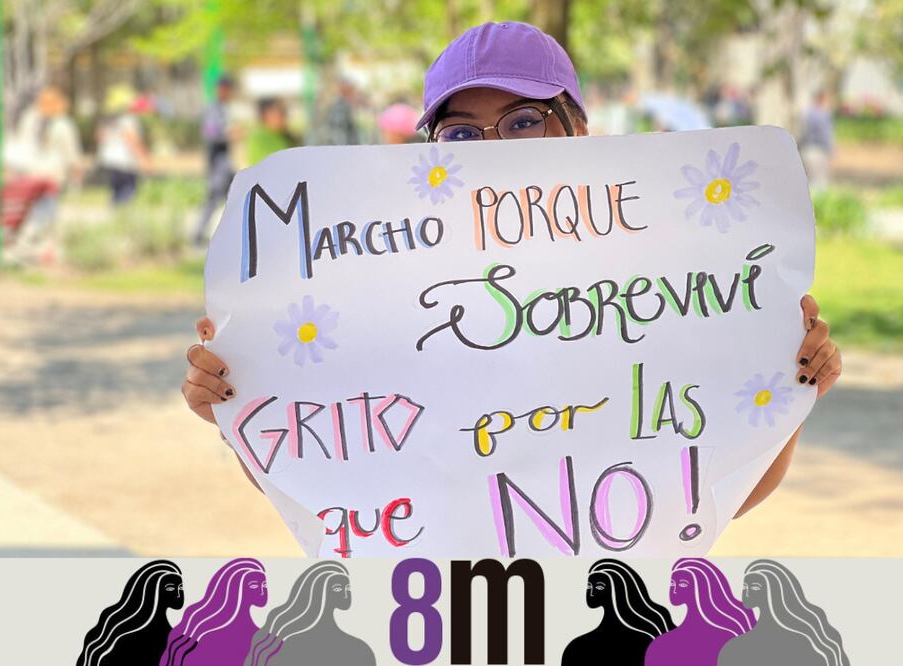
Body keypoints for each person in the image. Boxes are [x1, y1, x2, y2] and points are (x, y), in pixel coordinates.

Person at [182, 21, 843, 520]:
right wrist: (244, 410)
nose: (493, 153)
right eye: (462, 134)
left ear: (577, 127)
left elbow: (719, 492)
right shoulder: (383, 294)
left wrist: (789, 393)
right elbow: (336, 498)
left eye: (523, 121)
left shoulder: (658, 293)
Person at [719, 559, 850, 666]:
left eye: (754, 587)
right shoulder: (735, 648)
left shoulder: (805, 645)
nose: (746, 593)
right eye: (745, 587)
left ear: (775, 592)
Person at [245, 561, 375, 666]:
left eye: (348, 588)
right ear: (317, 593)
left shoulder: (360, 650)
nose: (346, 595)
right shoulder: (292, 648)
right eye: (337, 589)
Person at [6, 86, 82, 262]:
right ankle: (43, 244)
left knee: (39, 209)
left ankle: (42, 243)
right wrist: (77, 170)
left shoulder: (30, 120)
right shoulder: (62, 123)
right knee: (49, 210)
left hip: (29, 174)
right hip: (52, 175)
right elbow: (71, 153)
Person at [644, 558, 756, 666]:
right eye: (672, 583)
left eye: (683, 584)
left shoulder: (727, 641)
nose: (675, 590)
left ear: (703, 588)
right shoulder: (662, 645)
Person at [561, 559, 674, 665]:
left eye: (599, 587)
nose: (591, 593)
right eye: (589, 586)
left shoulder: (643, 643)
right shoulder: (577, 647)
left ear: (619, 590)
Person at [160, 558, 268, 666]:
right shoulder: (208, 639)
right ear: (235, 590)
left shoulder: (266, 639)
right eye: (253, 586)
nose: (262, 591)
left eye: (264, 585)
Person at [76, 560, 184, 666]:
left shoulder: (180, 640)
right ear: (150, 592)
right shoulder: (125, 641)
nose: (179, 594)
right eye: (170, 588)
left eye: (181, 587)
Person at [193, 75, 238, 244]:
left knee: (235, 197)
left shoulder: (223, 108)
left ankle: (232, 233)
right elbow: (210, 135)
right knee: (213, 199)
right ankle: (197, 234)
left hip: (225, 163)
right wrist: (228, 135)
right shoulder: (213, 109)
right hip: (217, 163)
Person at [97, 85, 151, 206]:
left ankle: (114, 214)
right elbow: (133, 141)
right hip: (125, 161)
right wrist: (145, 160)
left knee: (116, 191)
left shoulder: (107, 120)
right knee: (128, 191)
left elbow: (100, 138)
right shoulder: (129, 119)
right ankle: (123, 216)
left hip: (110, 161)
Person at [801, 89, 835, 189]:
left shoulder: (808, 114)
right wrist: (831, 151)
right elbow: (825, 135)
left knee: (810, 182)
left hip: (808, 150)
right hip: (819, 151)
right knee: (820, 183)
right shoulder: (823, 115)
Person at [246, 98, 294, 165]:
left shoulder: (283, 135)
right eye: (279, 112)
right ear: (265, 115)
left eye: (284, 112)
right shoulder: (259, 137)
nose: (284, 116)